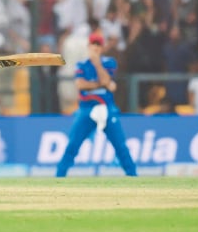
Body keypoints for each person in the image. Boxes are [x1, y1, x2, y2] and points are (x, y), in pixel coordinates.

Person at [56, 33, 137, 178]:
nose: (95, 47)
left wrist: (97, 64)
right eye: (93, 44)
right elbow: (81, 85)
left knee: (120, 146)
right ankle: (59, 176)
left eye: (98, 44)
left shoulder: (109, 63)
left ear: (102, 47)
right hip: (86, 109)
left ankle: (133, 175)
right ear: (88, 46)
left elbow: (107, 80)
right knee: (73, 145)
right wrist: (102, 85)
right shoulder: (81, 65)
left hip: (107, 108)